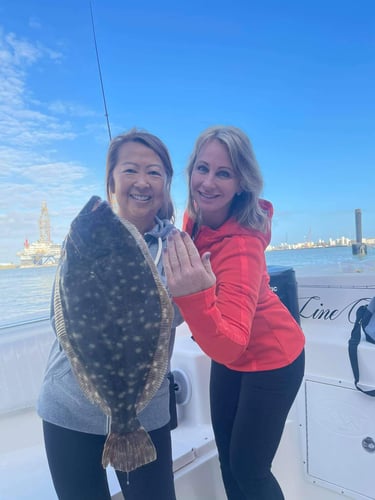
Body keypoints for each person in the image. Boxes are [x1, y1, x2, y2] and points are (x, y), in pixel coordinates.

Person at [37, 128, 182, 500]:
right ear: (112, 182)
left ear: (165, 183)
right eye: (130, 170)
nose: (142, 181)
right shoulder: (87, 238)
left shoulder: (177, 247)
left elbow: (176, 320)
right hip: (67, 408)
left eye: (154, 172)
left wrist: (188, 296)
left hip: (144, 416)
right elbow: (61, 318)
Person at [163, 125, 305, 500]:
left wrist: (192, 294)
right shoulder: (196, 221)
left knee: (249, 469)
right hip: (230, 355)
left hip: (273, 360)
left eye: (223, 173)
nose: (208, 182)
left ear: (241, 183)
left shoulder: (241, 247)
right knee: (227, 460)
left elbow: (229, 346)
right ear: (191, 170)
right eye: (202, 168)